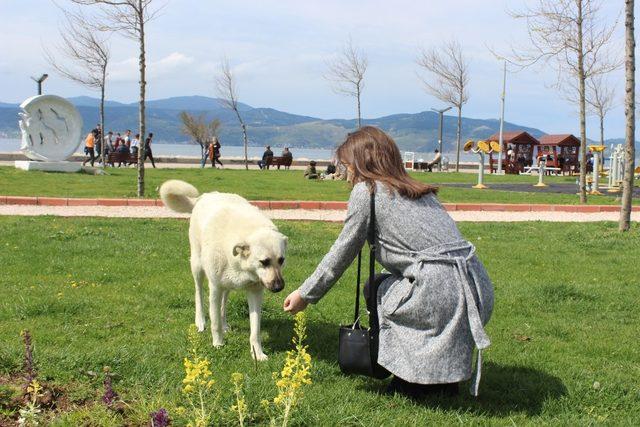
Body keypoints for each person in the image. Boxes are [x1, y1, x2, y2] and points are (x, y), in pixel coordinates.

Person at [282, 126, 493, 399]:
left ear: (361, 162)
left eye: (347, 165)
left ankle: (410, 380)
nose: (346, 173)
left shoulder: (367, 190)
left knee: (376, 287)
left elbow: (343, 250)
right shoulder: (420, 190)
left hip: (438, 289)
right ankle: (442, 380)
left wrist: (305, 294)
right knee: (396, 285)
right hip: (477, 289)